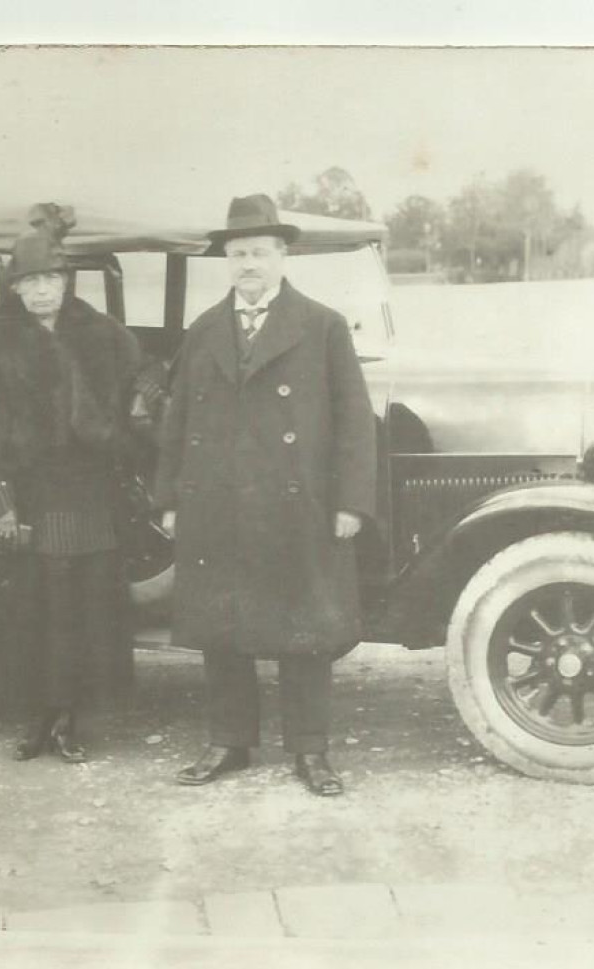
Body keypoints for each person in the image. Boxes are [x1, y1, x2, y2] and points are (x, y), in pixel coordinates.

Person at [153, 194, 377, 796]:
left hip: (296, 505)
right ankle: (229, 742)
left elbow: (355, 422)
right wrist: (170, 499)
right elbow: (176, 423)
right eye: (238, 253)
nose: (248, 263)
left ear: (283, 256)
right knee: (223, 630)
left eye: (259, 252)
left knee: (305, 631)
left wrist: (351, 503)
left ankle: (310, 751)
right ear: (228, 260)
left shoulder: (322, 326)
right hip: (218, 505)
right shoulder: (203, 331)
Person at [0, 206, 152, 763]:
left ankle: (69, 720)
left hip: (89, 495)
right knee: (31, 612)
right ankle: (37, 718)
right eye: (30, 281)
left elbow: (143, 404)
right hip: (25, 499)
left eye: (52, 279)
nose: (43, 291)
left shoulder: (107, 338)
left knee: (81, 611)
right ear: (14, 288)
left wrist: (129, 424)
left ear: (67, 282)